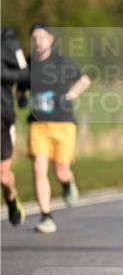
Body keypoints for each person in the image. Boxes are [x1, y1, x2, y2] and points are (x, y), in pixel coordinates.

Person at [25, 24, 91, 234]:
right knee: (38, 166)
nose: (38, 41)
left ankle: (67, 182)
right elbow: (21, 85)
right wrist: (19, 97)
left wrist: (70, 96)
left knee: (61, 170)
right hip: (38, 124)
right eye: (34, 38)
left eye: (42, 37)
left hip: (63, 123)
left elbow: (85, 79)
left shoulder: (61, 63)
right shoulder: (27, 64)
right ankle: (46, 216)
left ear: (51, 40)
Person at [2, 26, 30, 226]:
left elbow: (25, 74)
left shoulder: (7, 41)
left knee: (3, 178)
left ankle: (11, 199)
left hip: (1, 117)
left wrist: (3, 74)